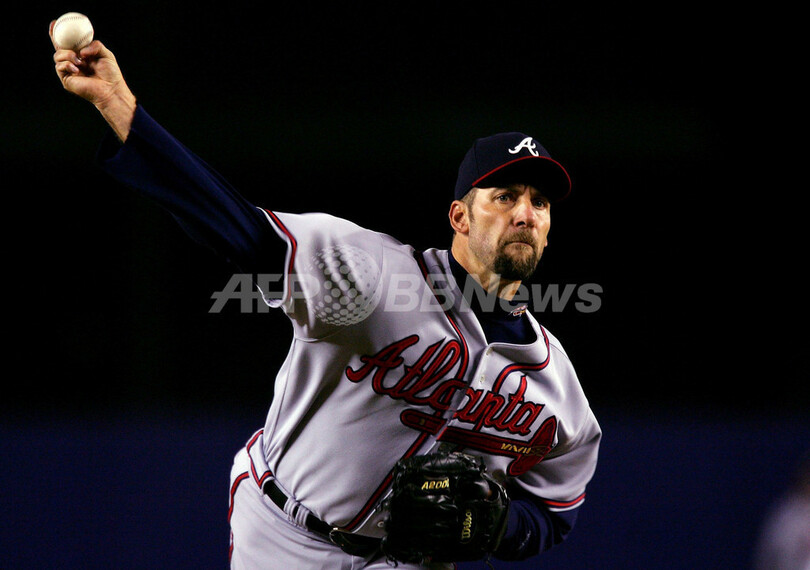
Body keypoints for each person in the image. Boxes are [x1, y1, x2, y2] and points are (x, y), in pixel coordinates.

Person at [51, 23, 601, 569]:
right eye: (505, 196)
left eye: (540, 203)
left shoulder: (557, 389)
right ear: (459, 217)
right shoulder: (372, 275)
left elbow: (555, 510)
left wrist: (501, 526)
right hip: (282, 531)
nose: (525, 213)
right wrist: (118, 104)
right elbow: (239, 230)